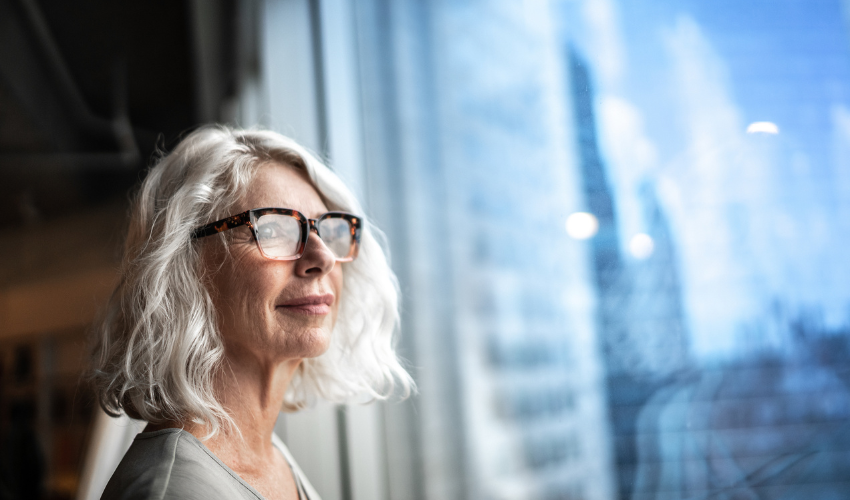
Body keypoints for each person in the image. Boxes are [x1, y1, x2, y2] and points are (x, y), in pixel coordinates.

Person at [91, 126, 413, 500]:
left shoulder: (267, 457)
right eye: (274, 229)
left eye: (326, 231)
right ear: (186, 265)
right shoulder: (174, 491)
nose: (322, 257)